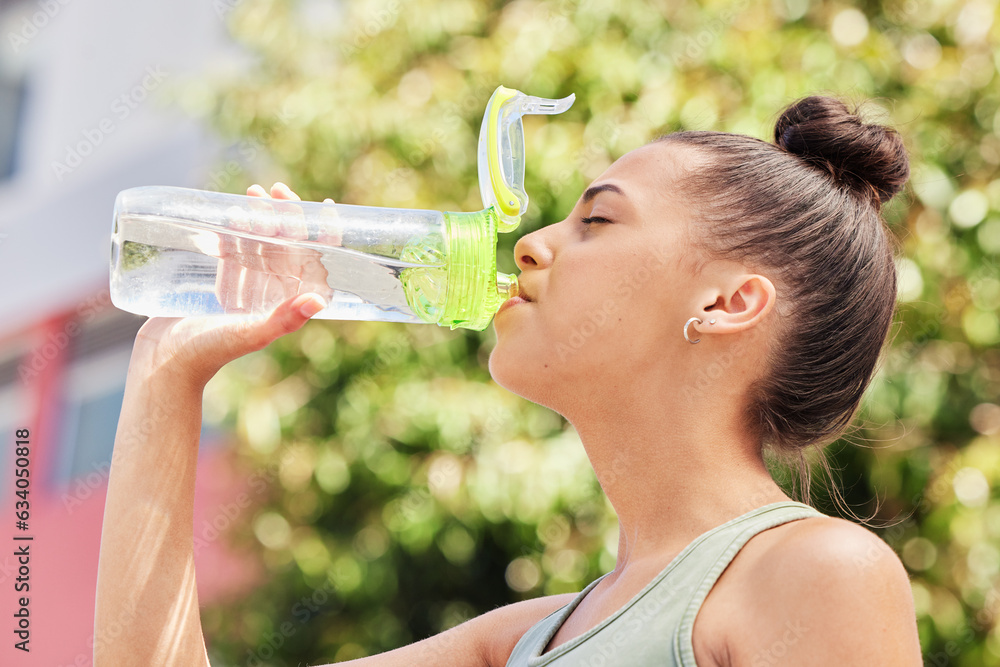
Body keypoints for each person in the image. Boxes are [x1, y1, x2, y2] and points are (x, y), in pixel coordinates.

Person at [95, 95, 923, 665]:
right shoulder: (533, 638)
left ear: (727, 300)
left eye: (596, 220)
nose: (531, 245)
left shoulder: (818, 571)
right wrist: (168, 368)